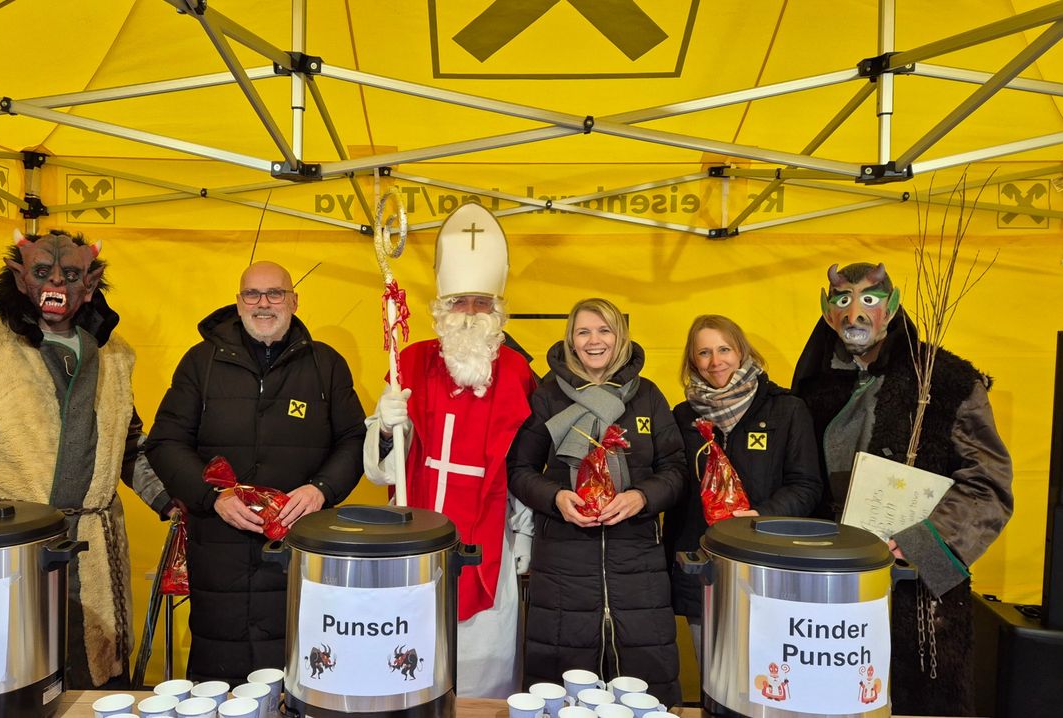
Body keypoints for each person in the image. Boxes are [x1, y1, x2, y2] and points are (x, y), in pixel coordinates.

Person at [0, 229, 172, 689]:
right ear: (19, 275)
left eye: (70, 275)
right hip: (6, 550)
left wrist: (171, 499)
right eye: (43, 272)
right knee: (8, 675)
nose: (56, 284)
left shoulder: (116, 355)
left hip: (93, 550)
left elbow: (126, 444)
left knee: (94, 680)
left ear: (90, 283)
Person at [792, 262, 1014, 717]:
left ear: (891, 308)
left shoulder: (946, 382)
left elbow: (988, 483)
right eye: (843, 301)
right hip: (834, 578)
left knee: (917, 697)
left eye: (869, 301)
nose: (855, 314)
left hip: (915, 580)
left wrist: (924, 544)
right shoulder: (813, 387)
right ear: (827, 311)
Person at [146, 260, 366, 682]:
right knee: (217, 673)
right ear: (238, 301)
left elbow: (354, 439)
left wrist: (321, 489)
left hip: (298, 546)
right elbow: (165, 442)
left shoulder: (326, 365)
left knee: (303, 666)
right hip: (219, 547)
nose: (263, 304)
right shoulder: (201, 363)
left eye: (275, 293)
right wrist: (214, 498)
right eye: (253, 294)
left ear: (294, 301)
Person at [364, 203, 537, 698]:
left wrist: (524, 537)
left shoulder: (516, 372)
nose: (470, 314)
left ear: (497, 312)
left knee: (484, 663)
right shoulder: (411, 361)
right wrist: (386, 425)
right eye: (459, 302)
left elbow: (522, 462)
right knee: (409, 652)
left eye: (481, 303)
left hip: (489, 539)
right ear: (441, 309)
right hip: (413, 534)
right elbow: (382, 472)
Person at [507, 298, 684, 707]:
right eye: (583, 331)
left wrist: (642, 497)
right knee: (562, 690)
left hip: (637, 559)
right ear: (571, 338)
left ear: (619, 336)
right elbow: (519, 469)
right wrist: (556, 497)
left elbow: (675, 469)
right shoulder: (548, 396)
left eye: (604, 330)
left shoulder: (648, 396)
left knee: (643, 688)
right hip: (564, 563)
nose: (594, 341)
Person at [665, 315, 822, 660]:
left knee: (771, 676)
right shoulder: (683, 418)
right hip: (704, 569)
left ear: (742, 352)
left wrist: (761, 517)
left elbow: (807, 485)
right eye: (704, 353)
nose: (715, 361)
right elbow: (676, 495)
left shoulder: (786, 409)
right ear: (693, 361)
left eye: (724, 349)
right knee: (714, 675)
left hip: (769, 568)